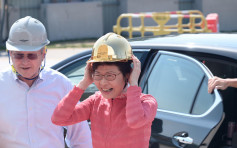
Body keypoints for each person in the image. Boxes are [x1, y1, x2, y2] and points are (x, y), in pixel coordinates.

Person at [51, 32, 158, 148]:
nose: (103, 83)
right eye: (98, 75)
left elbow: (134, 121)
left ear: (128, 74)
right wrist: (83, 84)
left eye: (110, 76)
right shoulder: (95, 102)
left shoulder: (147, 102)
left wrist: (133, 85)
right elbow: (59, 119)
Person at [0, 16, 92, 148]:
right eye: (19, 55)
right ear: (10, 54)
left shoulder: (62, 85)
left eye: (31, 55)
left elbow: (81, 138)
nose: (25, 62)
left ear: (43, 54)